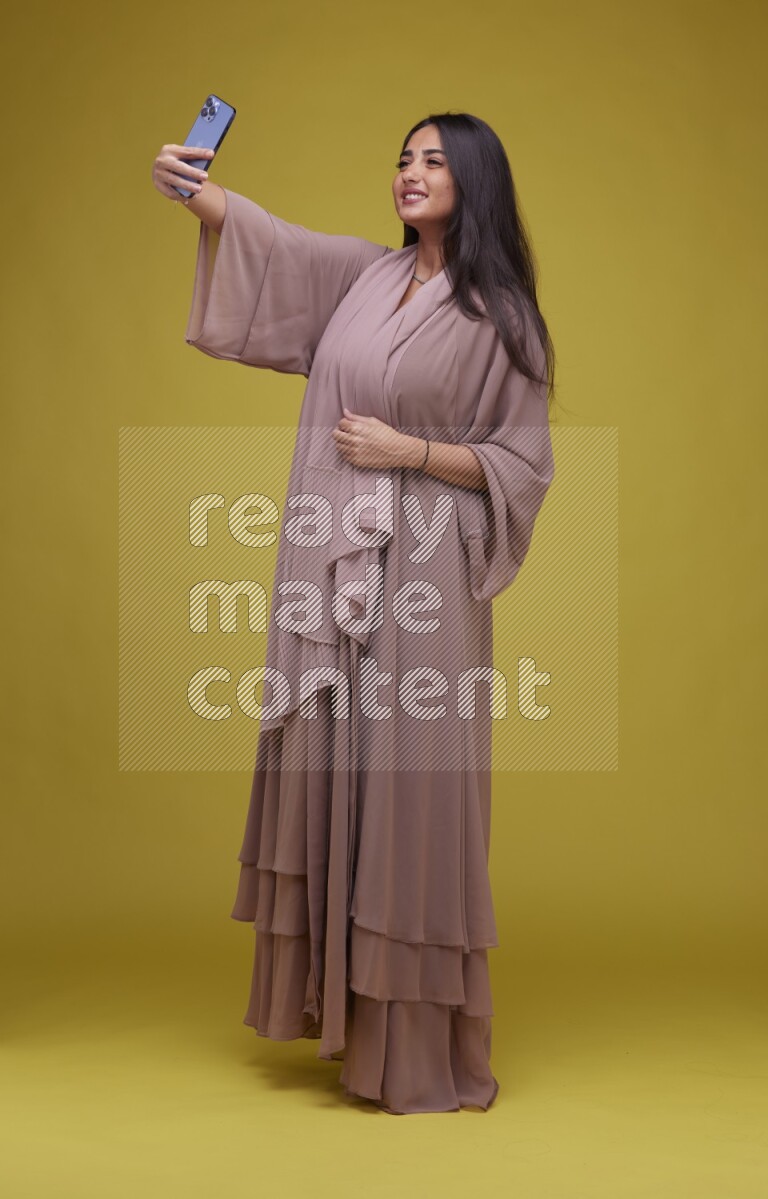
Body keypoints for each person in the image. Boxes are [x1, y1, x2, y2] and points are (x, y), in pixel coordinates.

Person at [152, 111, 556, 1114]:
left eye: (433, 161)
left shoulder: (501, 314)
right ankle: (343, 1020)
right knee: (335, 757)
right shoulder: (363, 278)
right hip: (329, 570)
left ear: (473, 181)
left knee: (410, 788)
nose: (409, 173)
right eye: (402, 158)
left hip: (425, 573)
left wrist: (408, 451)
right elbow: (264, 241)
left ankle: (413, 1047)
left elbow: (519, 462)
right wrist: (189, 180)